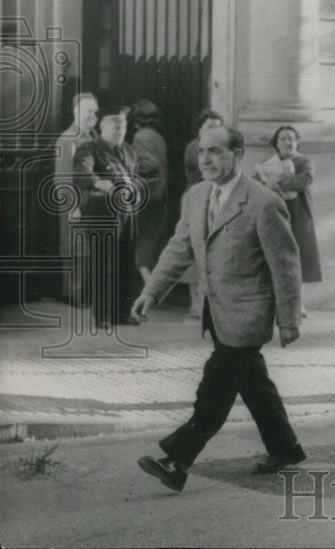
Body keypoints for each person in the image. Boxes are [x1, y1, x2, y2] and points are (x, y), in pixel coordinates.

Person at [132, 126, 306, 493]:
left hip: (247, 314)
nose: (206, 159)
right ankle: (286, 449)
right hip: (216, 310)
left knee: (215, 388)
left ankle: (177, 460)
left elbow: (286, 266)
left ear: (238, 155)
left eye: (215, 151)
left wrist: (289, 320)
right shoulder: (196, 195)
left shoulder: (263, 202)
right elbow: (180, 248)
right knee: (254, 385)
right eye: (201, 152)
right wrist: (152, 291)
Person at [73, 106, 142, 327]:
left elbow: (134, 177)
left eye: (123, 126)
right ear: (102, 127)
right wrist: (99, 183)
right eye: (114, 126)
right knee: (104, 263)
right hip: (103, 213)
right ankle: (102, 315)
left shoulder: (129, 151)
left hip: (127, 212)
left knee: (126, 261)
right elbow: (83, 173)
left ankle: (123, 312)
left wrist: (136, 191)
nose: (120, 130)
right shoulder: (89, 149)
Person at [253, 126, 322, 283]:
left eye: (291, 138)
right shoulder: (267, 163)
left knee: (299, 252)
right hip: (273, 210)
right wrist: (265, 182)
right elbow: (255, 183)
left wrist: (276, 180)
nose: (287, 142)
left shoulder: (304, 161)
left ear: (297, 142)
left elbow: (304, 181)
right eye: (283, 139)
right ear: (276, 143)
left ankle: (299, 300)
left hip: (298, 211)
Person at [54, 92, 99, 302]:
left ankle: (86, 293)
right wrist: (72, 206)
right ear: (76, 112)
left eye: (94, 111)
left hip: (93, 201)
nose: (93, 115)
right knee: (75, 247)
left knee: (89, 248)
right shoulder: (67, 139)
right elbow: (62, 178)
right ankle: (73, 294)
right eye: (88, 111)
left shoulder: (94, 138)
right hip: (76, 200)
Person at [181, 109, 225, 317]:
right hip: (196, 198)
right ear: (200, 129)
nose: (214, 130)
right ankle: (195, 303)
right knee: (194, 247)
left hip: (215, 197)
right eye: (209, 126)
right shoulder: (194, 148)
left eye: (217, 126)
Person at [130, 100, 170, 284]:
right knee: (152, 238)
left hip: (147, 193)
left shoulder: (141, 137)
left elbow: (148, 164)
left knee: (143, 238)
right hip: (160, 192)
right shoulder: (158, 136)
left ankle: (150, 283)